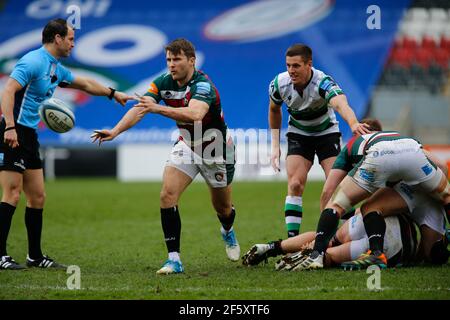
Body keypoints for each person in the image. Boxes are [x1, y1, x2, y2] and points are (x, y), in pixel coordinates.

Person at [91, 38, 240, 275]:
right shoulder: (162, 82)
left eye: (177, 59)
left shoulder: (203, 86)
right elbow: (142, 107)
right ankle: (174, 260)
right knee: (167, 194)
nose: (171, 64)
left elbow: (195, 114)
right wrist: (115, 130)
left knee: (223, 208)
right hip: (187, 146)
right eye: (168, 59)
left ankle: (227, 230)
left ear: (191, 61)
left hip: (216, 151)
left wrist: (157, 108)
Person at [0, 18, 131, 270]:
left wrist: (113, 94)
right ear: (57, 38)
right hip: (12, 131)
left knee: (37, 196)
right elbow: (8, 90)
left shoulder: (55, 68)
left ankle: (35, 257)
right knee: (12, 193)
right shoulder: (33, 61)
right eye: (70, 38)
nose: (73, 43)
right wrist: (9, 126)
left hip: (29, 134)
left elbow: (84, 83)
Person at [294, 120, 450, 270]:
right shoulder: (398, 137)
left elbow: (328, 191)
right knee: (432, 257)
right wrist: (434, 189)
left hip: (381, 159)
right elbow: (442, 166)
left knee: (347, 205)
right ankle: (442, 239)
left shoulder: (351, 146)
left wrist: (323, 235)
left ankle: (318, 255)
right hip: (414, 160)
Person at [268, 44, 371, 239]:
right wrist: (275, 146)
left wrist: (353, 123)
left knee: (338, 188)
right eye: (288, 65)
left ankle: (347, 236)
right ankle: (293, 242)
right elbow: (274, 110)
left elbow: (341, 103)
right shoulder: (279, 84)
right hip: (299, 133)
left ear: (309, 64)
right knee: (295, 184)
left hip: (326, 133)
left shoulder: (322, 83)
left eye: (296, 66)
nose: (291, 71)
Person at [241, 208, 421, 270]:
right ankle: (308, 256)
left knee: (329, 238)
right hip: (400, 245)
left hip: (371, 220)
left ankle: (271, 247)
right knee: (330, 256)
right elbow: (434, 248)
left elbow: (363, 208)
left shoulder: (371, 165)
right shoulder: (423, 177)